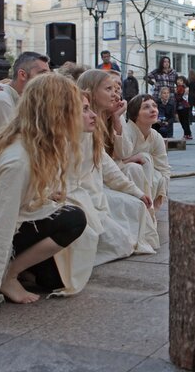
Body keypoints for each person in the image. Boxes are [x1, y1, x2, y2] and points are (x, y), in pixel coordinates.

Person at [0, 73, 88, 323]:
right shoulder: (18, 161)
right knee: (73, 219)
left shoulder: (29, 143)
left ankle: (12, 272)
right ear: (58, 113)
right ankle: (6, 277)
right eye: (74, 108)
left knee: (53, 278)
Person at [76, 69, 159, 260]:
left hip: (101, 183)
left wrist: (115, 119)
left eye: (116, 88)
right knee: (122, 240)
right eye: (109, 89)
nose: (115, 94)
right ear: (91, 91)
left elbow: (120, 155)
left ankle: (146, 213)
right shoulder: (79, 122)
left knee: (136, 198)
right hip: (86, 192)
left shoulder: (113, 116)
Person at [120, 94, 171, 210]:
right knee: (142, 161)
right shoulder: (127, 132)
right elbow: (115, 163)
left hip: (148, 177)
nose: (153, 110)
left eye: (154, 106)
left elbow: (164, 167)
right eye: (146, 107)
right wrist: (135, 159)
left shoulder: (156, 136)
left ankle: (148, 209)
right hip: (126, 177)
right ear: (135, 114)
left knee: (160, 177)